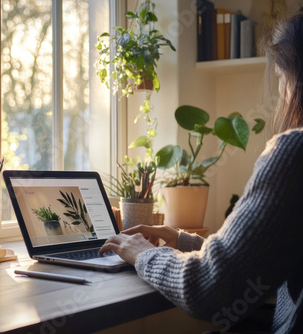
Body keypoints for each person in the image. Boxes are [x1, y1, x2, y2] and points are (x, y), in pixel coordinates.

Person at [99, 11, 303, 334]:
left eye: (279, 78)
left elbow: (210, 289)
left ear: (294, 77)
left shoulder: (294, 152)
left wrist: (144, 254)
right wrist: (181, 240)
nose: (280, 94)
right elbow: (257, 264)